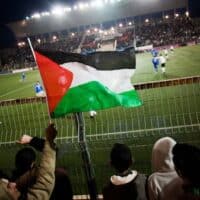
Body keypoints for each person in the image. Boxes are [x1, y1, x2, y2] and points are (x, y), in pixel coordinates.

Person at [0, 123, 57, 200]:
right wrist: (31, 140)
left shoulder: (13, 180)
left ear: (16, 163)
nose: (10, 184)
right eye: (7, 187)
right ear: (32, 164)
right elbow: (45, 177)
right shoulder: (32, 182)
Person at [16, 134, 73, 200]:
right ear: (33, 163)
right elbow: (52, 150)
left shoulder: (13, 183)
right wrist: (31, 140)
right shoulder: (41, 175)